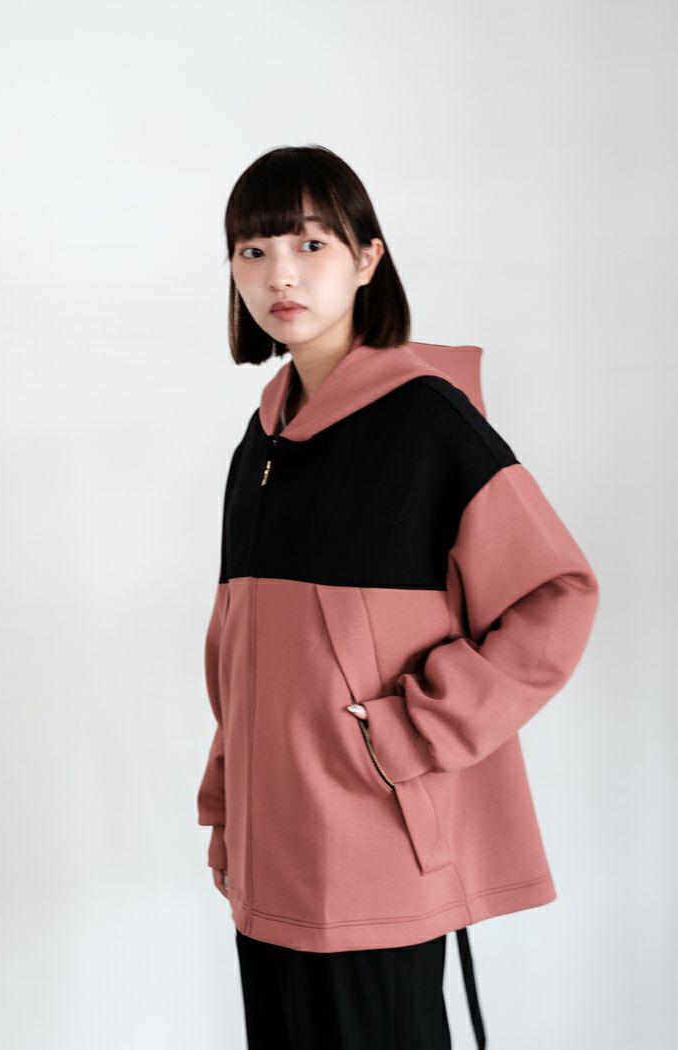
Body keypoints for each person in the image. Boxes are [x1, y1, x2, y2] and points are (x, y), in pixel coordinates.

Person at [196, 144, 600, 1050]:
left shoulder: (425, 419)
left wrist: (408, 735)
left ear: (367, 259)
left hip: (373, 853)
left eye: (309, 245)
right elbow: (244, 655)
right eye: (253, 250)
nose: (280, 274)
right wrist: (228, 810)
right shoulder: (261, 443)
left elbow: (557, 593)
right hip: (270, 863)